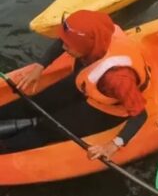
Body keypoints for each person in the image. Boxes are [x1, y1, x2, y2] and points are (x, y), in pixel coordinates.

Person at [0, 10, 149, 160]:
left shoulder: (117, 78)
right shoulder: (95, 37)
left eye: (69, 45)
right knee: (33, 102)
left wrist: (114, 144)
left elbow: (140, 114)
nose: (64, 47)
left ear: (86, 47)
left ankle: (6, 146)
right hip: (87, 83)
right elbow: (63, 40)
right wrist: (40, 66)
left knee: (48, 128)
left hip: (106, 108)